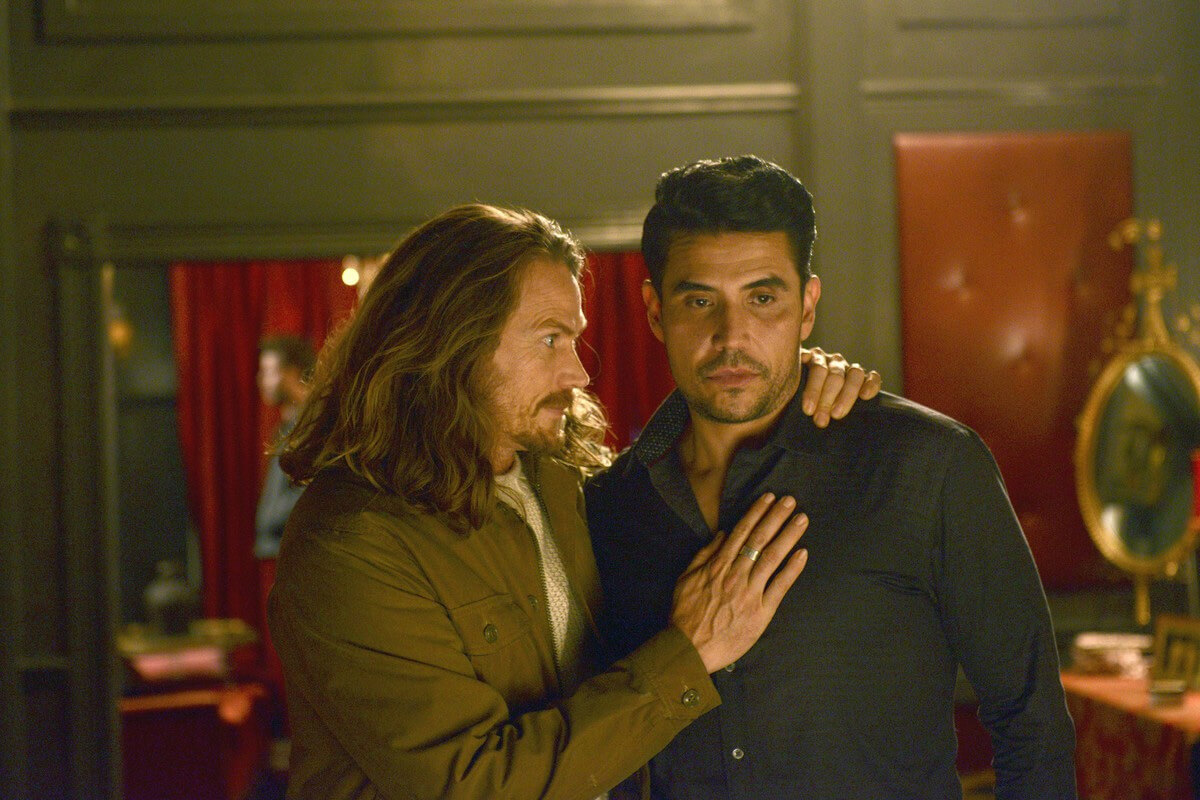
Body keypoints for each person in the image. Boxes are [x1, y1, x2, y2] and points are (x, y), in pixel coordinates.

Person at [266, 204, 874, 800]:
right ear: (451, 343)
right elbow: (476, 784)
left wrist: (785, 380)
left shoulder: (562, 473)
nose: (578, 373)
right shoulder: (351, 542)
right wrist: (688, 656)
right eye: (550, 339)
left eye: (574, 339)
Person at [586, 156, 1078, 799]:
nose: (732, 336)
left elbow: (1032, 726)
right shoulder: (609, 506)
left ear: (807, 307)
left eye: (763, 298)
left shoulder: (926, 467)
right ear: (655, 311)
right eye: (699, 301)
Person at [254, 334, 316, 559]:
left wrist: (269, 518)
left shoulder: (311, 424)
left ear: (291, 372)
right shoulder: (287, 426)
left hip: (305, 553)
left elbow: (311, 490)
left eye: (269, 372)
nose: (261, 380)